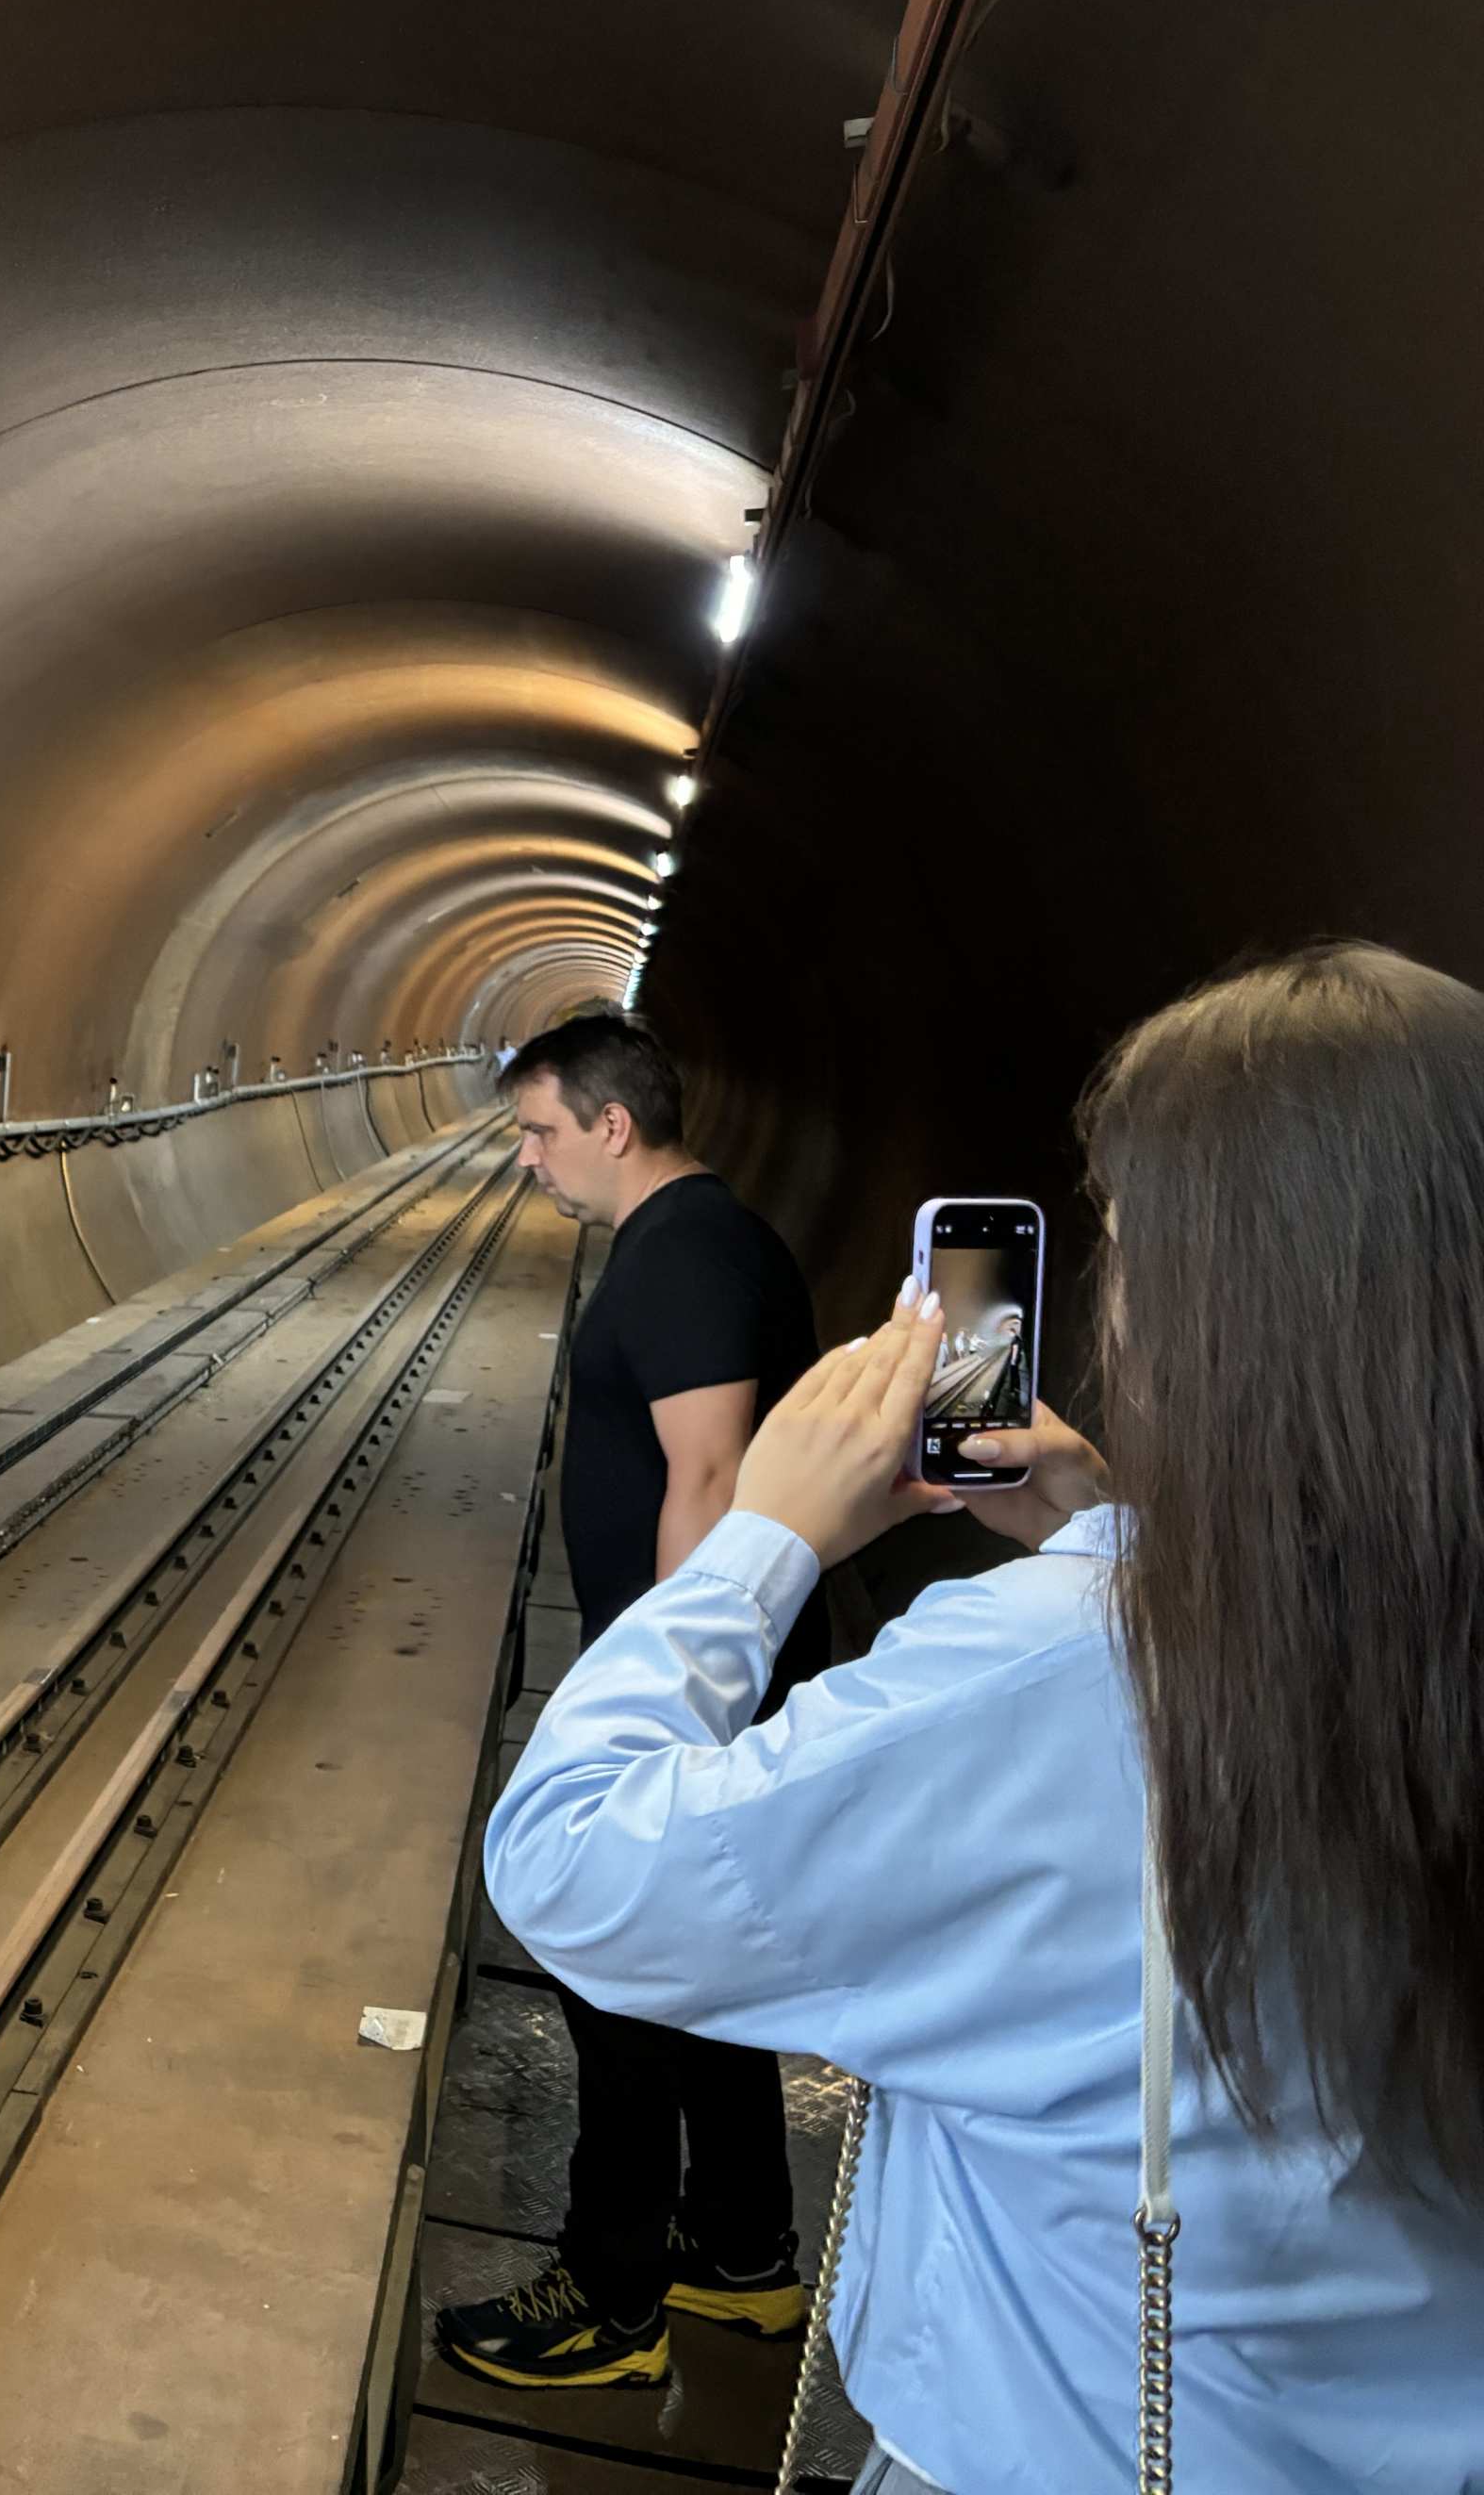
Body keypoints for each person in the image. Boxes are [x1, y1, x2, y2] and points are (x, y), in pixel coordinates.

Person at [487, 944, 1484, 2491]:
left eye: (1130, 1242)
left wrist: (769, 1539)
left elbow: (570, 1866)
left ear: (1217, 1306)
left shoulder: (1065, 1677)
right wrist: (1110, 1512)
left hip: (1080, 2444)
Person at [434, 1011, 820, 2389]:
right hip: (708, 1677)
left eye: (540, 1131)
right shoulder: (694, 1243)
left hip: (687, 1691)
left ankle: (612, 2294)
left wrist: (655, 1708)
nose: (530, 1161)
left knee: (618, 1970)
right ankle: (741, 2253)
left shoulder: (684, 1255)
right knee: (697, 1970)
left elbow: (707, 1484)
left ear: (611, 1123)